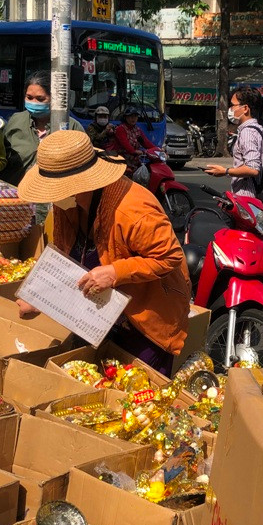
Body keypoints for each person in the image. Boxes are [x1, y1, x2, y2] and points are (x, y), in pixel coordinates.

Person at [15, 130, 191, 373]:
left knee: (139, 400)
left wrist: (115, 272)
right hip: (98, 316)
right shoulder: (67, 204)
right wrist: (40, 296)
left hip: (144, 321)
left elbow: (170, 256)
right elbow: (65, 256)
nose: (53, 197)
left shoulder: (134, 210)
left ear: (77, 184)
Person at [204, 87, 263, 198]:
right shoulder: (258, 129)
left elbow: (252, 168)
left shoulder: (248, 132)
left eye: (233, 105)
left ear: (245, 108)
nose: (230, 109)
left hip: (246, 196)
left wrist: (225, 171)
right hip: (251, 195)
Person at [0, 71, 56, 185]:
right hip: (15, 194)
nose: (34, 103)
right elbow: (0, 157)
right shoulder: (16, 121)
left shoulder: (69, 126)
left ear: (54, 99)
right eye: (29, 97)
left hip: (53, 198)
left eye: (40, 99)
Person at [111, 105, 161, 172]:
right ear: (125, 118)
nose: (133, 118)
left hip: (134, 160)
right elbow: (125, 144)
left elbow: (146, 142)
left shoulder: (137, 130)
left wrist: (157, 150)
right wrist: (134, 151)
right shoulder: (120, 129)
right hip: (121, 159)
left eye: (135, 116)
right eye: (130, 116)